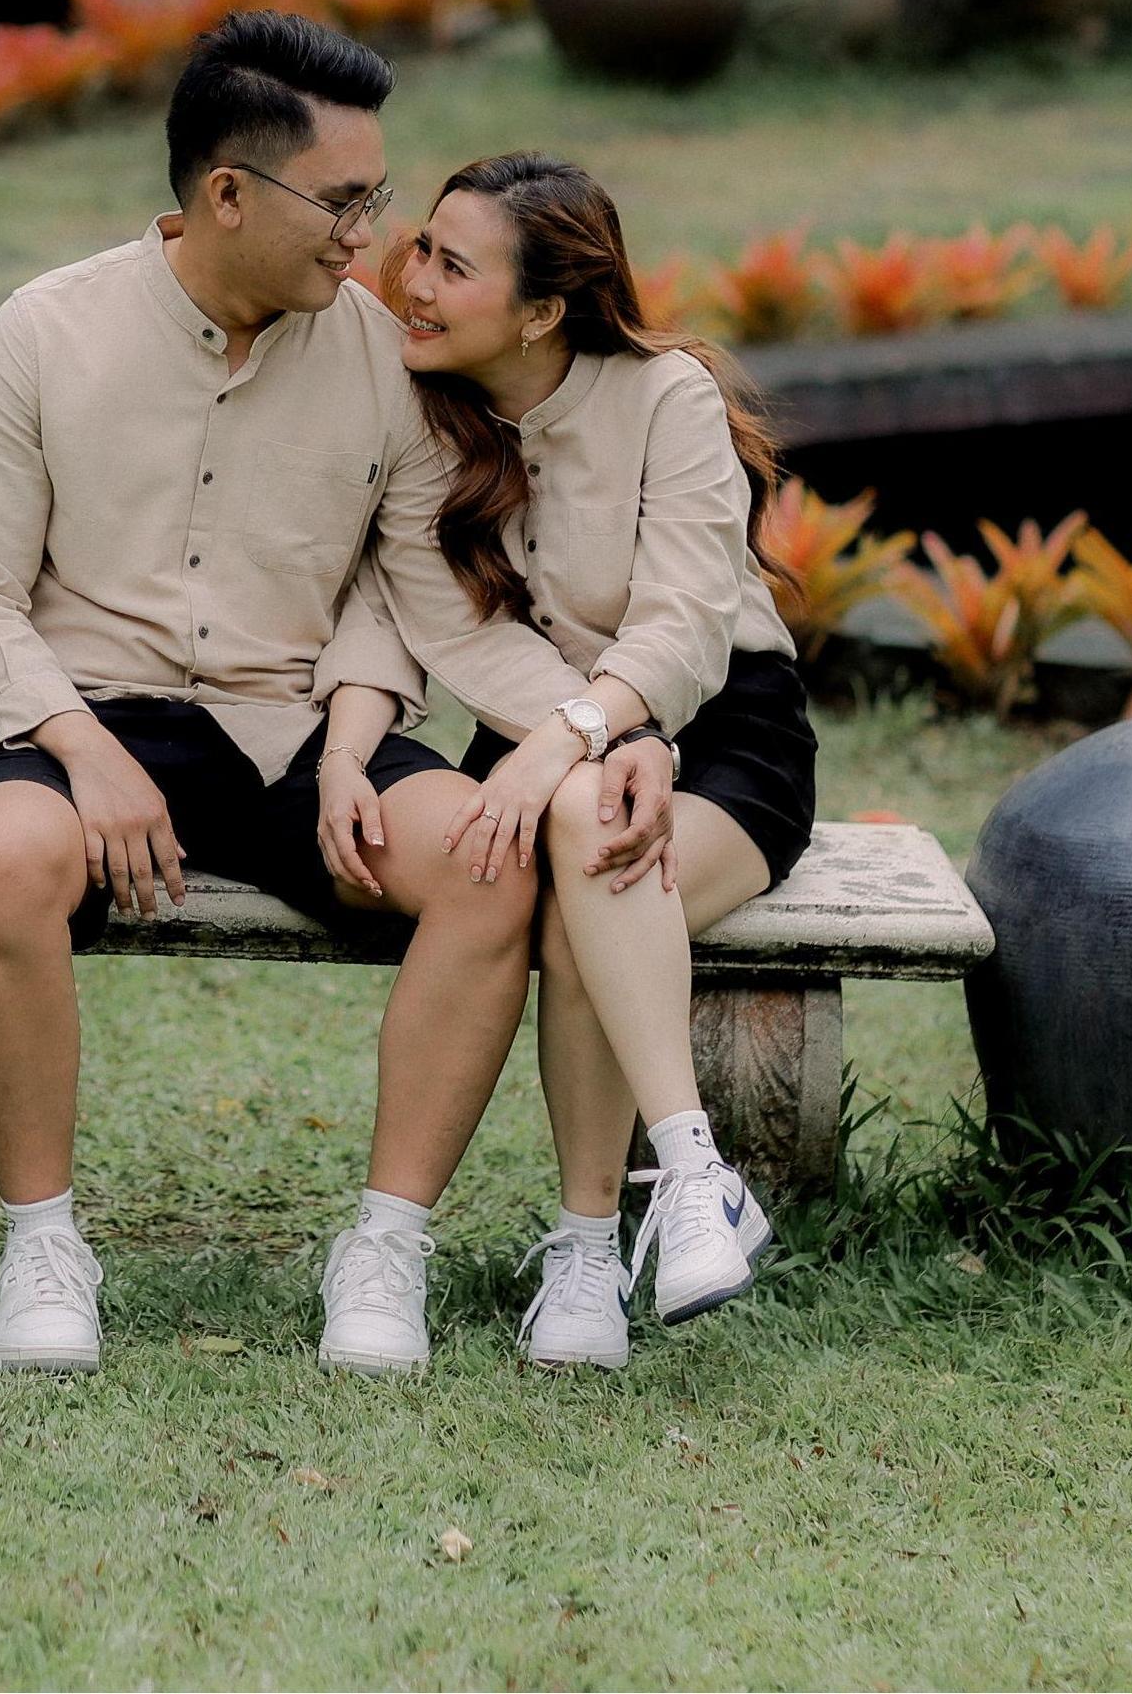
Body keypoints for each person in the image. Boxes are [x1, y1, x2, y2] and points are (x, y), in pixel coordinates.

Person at [0, 19, 661, 1378]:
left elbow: (428, 600)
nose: (370, 239)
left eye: (377, 199)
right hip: (80, 713)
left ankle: (384, 1244)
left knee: (487, 860)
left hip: (295, 730)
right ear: (227, 193)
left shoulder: (385, 359)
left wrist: (595, 724)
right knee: (8, 850)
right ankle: (40, 1243)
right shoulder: (44, 332)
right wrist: (84, 749)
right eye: (343, 202)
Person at [315, 151, 816, 1370]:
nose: (411, 281)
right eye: (419, 248)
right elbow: (450, 628)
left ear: (541, 309)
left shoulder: (666, 398)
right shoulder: (420, 409)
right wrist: (581, 740)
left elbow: (684, 621)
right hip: (536, 735)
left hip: (723, 731)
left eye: (452, 266)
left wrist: (589, 735)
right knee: (585, 837)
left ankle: (652, 1198)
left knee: (588, 860)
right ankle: (634, 1222)